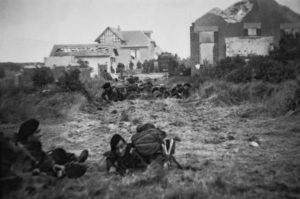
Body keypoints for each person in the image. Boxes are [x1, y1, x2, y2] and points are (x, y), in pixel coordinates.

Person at [15, 119, 88, 178]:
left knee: (59, 152)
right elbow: (37, 165)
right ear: (29, 136)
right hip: (47, 167)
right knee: (59, 155)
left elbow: (43, 156)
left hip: (48, 163)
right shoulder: (25, 150)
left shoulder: (33, 145)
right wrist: (53, 165)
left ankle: (76, 159)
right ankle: (75, 162)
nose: (40, 134)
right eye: (37, 132)